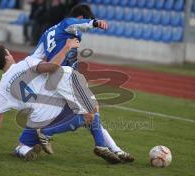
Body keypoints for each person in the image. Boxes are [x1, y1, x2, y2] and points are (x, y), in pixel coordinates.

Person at [0, 38, 121, 164]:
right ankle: (108, 147)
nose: (11, 54)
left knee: (22, 143)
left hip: (36, 120)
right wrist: (67, 47)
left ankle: (24, 151)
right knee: (90, 112)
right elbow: (52, 66)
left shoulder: (2, 88)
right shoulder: (26, 63)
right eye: (8, 52)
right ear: (7, 57)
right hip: (55, 110)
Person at [31, 3, 134, 162]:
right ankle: (46, 132)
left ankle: (113, 149)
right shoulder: (68, 23)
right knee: (89, 114)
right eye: (84, 21)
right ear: (79, 18)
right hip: (64, 75)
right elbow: (76, 24)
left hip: (58, 76)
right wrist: (95, 23)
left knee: (92, 111)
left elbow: (36, 56)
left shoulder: (48, 31)